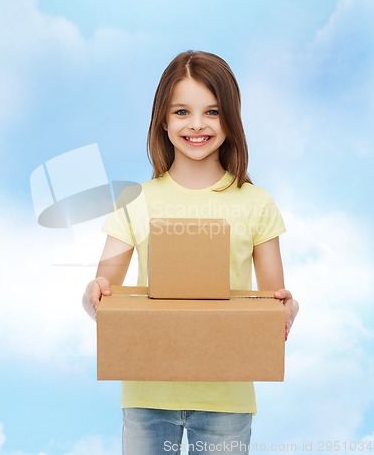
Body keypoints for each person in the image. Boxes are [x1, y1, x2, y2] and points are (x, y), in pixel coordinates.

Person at [82, 50, 299, 455]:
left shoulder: (256, 203)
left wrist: (288, 309)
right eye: (182, 111)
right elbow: (104, 292)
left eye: (212, 112)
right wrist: (91, 293)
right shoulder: (136, 200)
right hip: (147, 393)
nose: (196, 124)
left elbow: (271, 302)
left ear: (230, 121)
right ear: (163, 121)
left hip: (226, 398)